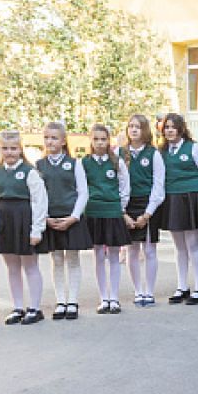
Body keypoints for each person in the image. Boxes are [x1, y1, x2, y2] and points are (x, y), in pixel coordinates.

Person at [0, 131, 49, 326]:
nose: (9, 152)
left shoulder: (29, 172)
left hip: (24, 221)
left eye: (13, 148)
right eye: (5, 148)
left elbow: (40, 201)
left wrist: (37, 229)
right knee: (12, 267)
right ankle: (18, 307)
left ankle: (35, 308)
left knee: (30, 266)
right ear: (0, 149)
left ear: (20, 149)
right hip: (5, 222)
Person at [37, 121, 90, 321]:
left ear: (63, 140)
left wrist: (74, 217)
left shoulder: (74, 163)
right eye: (47, 137)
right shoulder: (39, 166)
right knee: (57, 259)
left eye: (54, 138)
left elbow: (83, 192)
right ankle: (61, 301)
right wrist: (46, 218)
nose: (50, 141)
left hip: (71, 218)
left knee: (73, 259)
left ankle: (73, 301)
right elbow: (38, 195)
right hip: (51, 219)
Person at [159, 113, 198, 305]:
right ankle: (182, 286)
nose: (170, 130)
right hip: (172, 199)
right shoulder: (162, 152)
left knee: (193, 245)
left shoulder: (195, 148)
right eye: (167, 127)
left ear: (181, 129)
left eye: (173, 127)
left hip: (192, 198)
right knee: (179, 246)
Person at [82, 124, 131, 314]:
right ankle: (103, 298)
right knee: (98, 256)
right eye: (96, 139)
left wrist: (120, 207)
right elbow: (82, 188)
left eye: (103, 139)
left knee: (114, 256)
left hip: (112, 212)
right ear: (91, 141)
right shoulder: (84, 163)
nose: (100, 143)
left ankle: (114, 298)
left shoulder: (116, 162)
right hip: (94, 212)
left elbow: (124, 186)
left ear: (108, 140)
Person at [121, 114, 166, 307]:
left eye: (138, 127)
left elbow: (158, 185)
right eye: (130, 126)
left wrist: (148, 213)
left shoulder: (153, 154)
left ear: (145, 130)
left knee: (149, 250)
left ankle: (149, 291)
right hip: (127, 206)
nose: (133, 130)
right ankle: (138, 290)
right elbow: (117, 183)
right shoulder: (120, 153)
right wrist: (123, 213)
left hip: (148, 206)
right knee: (132, 251)